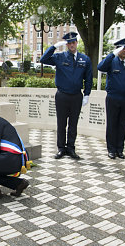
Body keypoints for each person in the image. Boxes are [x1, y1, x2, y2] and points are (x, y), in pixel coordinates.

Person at [40, 32, 93, 160]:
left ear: (77, 43)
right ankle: (61, 148)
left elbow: (89, 79)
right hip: (62, 95)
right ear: (66, 45)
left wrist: (86, 94)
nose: (71, 45)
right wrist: (53, 47)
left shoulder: (84, 59)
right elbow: (43, 59)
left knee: (73, 124)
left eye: (73, 42)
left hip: (76, 96)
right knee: (61, 123)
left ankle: (71, 148)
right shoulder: (60, 57)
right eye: (69, 43)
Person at [97, 38, 125, 159]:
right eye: (123, 48)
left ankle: (119, 149)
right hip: (113, 98)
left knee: (122, 125)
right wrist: (112, 55)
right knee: (112, 124)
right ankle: (111, 149)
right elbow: (100, 67)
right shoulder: (112, 61)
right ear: (118, 49)